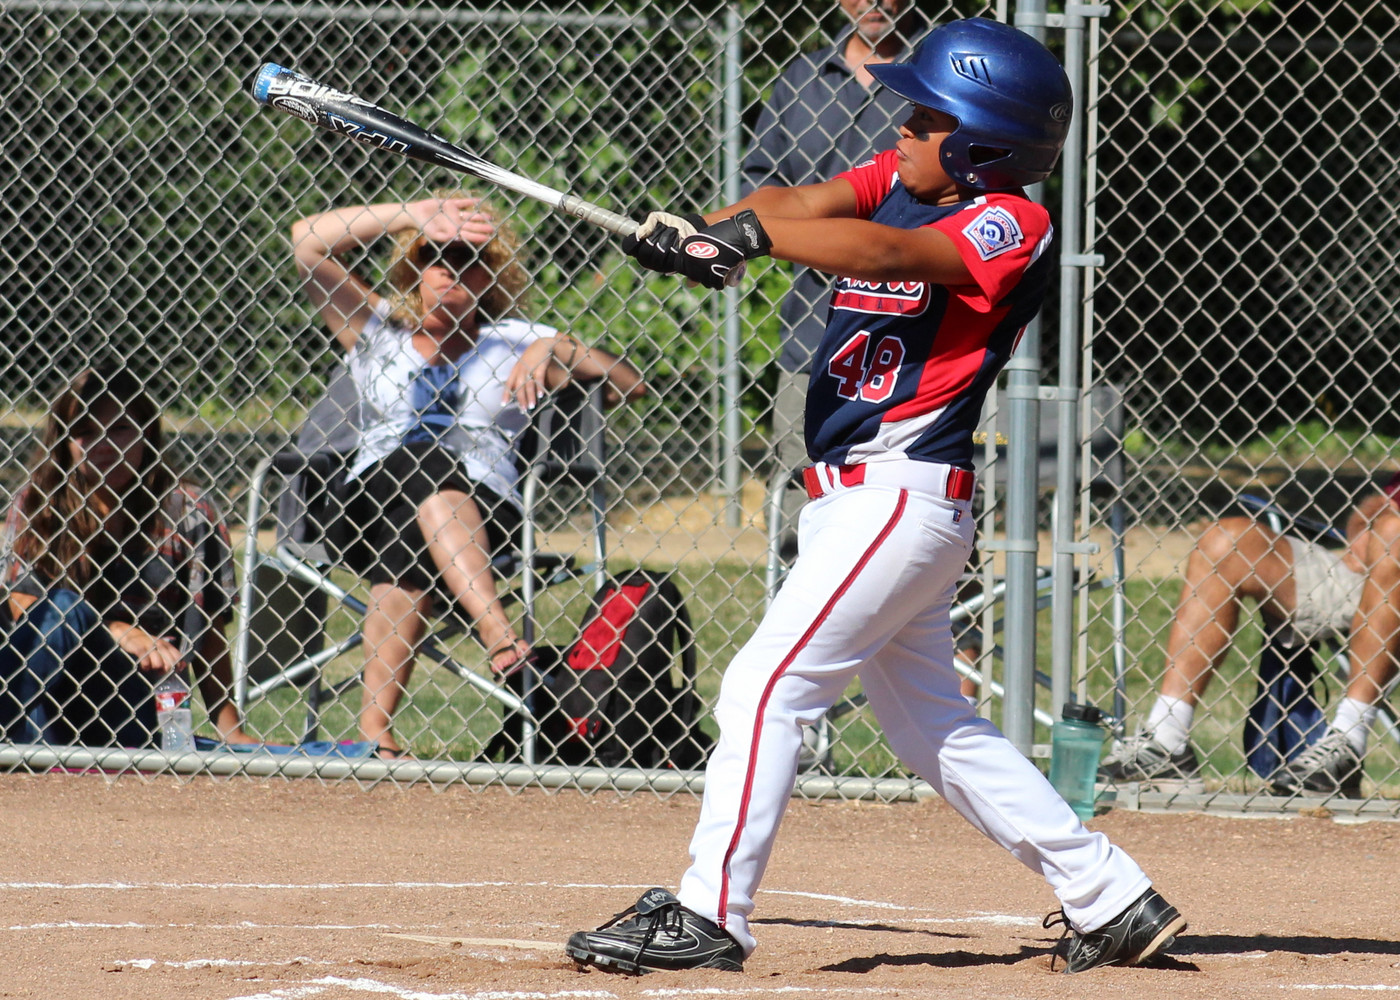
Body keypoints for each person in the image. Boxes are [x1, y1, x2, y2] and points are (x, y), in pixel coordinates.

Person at [565, 18, 1185, 976]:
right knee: (931, 725)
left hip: (899, 496)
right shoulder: (898, 177)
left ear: (983, 147)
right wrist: (708, 234)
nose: (901, 126)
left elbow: (884, 255)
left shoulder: (1009, 223)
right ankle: (1111, 896)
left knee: (764, 686)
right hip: (855, 504)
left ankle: (710, 913)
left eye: (927, 117)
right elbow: (790, 202)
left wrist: (757, 239)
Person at [290, 192, 644, 758]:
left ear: (492, 274)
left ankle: (374, 736)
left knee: (412, 527)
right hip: (364, 505)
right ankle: (498, 634)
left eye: (470, 258)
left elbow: (630, 384)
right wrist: (410, 214)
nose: (451, 268)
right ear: (413, 269)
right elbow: (306, 241)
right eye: (435, 254)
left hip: (484, 512)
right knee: (420, 459)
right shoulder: (376, 330)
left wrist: (554, 345)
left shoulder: (518, 339)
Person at [743, 0, 925, 560]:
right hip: (814, 328)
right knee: (806, 501)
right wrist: (702, 231)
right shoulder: (801, 79)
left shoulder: (933, 77)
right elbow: (767, 187)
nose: (876, 1)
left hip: (915, 332)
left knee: (922, 511)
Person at [1100, 471, 1400, 797]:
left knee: (1393, 533)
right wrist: (1371, 520)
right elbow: (1381, 508)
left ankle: (1349, 739)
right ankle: (1167, 740)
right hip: (1372, 568)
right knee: (1226, 540)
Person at [0, 366, 254, 748]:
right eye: (86, 431)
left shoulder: (188, 511)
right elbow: (23, 610)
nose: (104, 445)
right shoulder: (38, 502)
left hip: (134, 706)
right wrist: (115, 630)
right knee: (63, 608)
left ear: (146, 431)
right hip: (43, 700)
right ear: (64, 441)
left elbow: (210, 632)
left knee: (66, 608)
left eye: (120, 429)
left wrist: (231, 731)